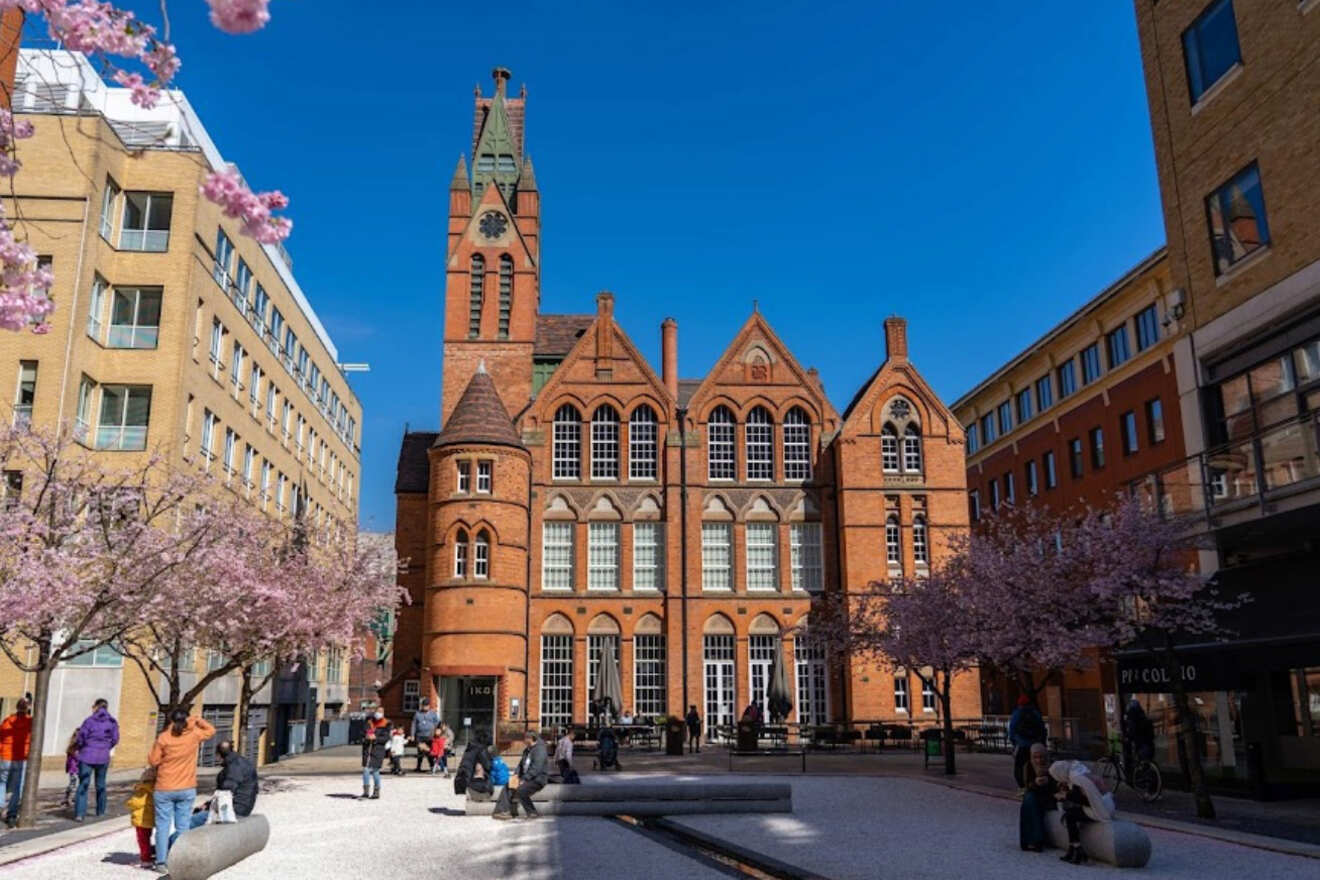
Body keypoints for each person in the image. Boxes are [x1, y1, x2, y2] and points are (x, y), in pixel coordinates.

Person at [147, 708, 216, 871]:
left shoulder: (164, 737)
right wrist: (198, 719)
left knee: (162, 826)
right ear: (187, 720)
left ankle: (161, 861)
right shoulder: (193, 735)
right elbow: (211, 730)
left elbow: (153, 760)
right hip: (186, 787)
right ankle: (179, 857)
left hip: (164, 787)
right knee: (183, 826)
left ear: (171, 720)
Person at [1050, 759, 1115, 865]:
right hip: (1106, 802)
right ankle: (1073, 850)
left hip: (1102, 808)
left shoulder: (1076, 779)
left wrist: (1065, 795)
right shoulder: (1077, 771)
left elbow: (1087, 801)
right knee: (1070, 813)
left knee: (1070, 817)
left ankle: (1077, 848)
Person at [74, 697, 120, 822]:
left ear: (96, 707)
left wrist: (81, 747)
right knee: (101, 784)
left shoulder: (89, 721)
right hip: (103, 756)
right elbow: (115, 739)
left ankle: (80, 813)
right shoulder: (112, 722)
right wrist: (106, 747)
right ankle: (100, 811)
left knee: (83, 784)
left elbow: (81, 737)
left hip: (87, 755)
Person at [492, 729, 548, 820]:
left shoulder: (540, 750)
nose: (523, 740)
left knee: (521, 790)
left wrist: (524, 779)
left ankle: (532, 812)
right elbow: (521, 765)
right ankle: (502, 811)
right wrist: (515, 775)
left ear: (531, 738)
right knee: (508, 785)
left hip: (537, 779)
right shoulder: (527, 750)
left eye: (525, 738)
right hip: (526, 778)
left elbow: (536, 768)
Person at [1018, 743, 1058, 852]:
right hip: (1035, 793)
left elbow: (1059, 785)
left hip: (1050, 796)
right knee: (1029, 800)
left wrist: (1048, 781)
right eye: (1035, 757)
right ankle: (1032, 840)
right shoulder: (1028, 766)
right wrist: (1036, 783)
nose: (1039, 760)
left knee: (1030, 801)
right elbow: (1027, 785)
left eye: (1041, 757)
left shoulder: (1053, 766)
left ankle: (1034, 840)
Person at [0, 698, 32, 827]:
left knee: (2, 783)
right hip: (22, 757)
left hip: (6, 757)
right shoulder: (30, 722)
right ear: (27, 708)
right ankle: (12, 814)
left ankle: (1, 805)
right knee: (18, 787)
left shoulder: (7, 721)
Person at [1008, 695, 1046, 791]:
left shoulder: (1017, 713)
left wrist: (1013, 742)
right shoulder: (1035, 713)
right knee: (1035, 765)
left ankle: (1022, 787)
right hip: (1035, 744)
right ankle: (1035, 783)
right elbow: (1042, 728)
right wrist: (1042, 742)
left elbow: (1012, 729)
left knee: (1019, 767)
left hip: (1022, 744)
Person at [125, 767, 157, 868]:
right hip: (150, 819)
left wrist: (129, 802)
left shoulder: (143, 790)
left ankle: (145, 859)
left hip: (142, 820)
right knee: (148, 838)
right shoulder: (155, 790)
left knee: (142, 840)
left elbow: (137, 803)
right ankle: (150, 855)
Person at [1122, 698, 1156, 781]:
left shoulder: (1134, 719)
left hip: (1142, 745)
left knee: (1143, 766)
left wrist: (1127, 738)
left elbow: (1132, 732)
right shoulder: (1143, 717)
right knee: (1146, 765)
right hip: (1149, 745)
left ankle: (1146, 785)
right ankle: (1150, 785)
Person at [360, 709, 390, 799]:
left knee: (375, 771)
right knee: (366, 769)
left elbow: (386, 738)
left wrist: (376, 738)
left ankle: (376, 791)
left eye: (381, 712)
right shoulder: (368, 722)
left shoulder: (386, 724)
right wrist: (366, 737)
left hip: (378, 750)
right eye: (378, 711)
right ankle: (366, 791)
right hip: (368, 750)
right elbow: (362, 733)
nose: (379, 713)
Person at [455, 731, 493, 797]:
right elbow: (488, 766)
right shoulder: (480, 749)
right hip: (471, 783)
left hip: (460, 782)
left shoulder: (470, 748)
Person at [410, 698, 440, 773]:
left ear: (429, 706)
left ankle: (432, 766)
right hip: (420, 735)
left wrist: (436, 732)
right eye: (423, 706)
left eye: (426, 706)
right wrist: (412, 735)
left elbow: (437, 723)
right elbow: (414, 724)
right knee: (420, 752)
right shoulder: (417, 714)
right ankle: (418, 767)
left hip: (430, 736)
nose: (425, 707)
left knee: (430, 752)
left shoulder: (433, 713)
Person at [61, 731, 80, 809]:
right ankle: (69, 799)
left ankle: (68, 798)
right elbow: (76, 758)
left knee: (73, 784)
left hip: (75, 769)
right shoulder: (73, 747)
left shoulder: (74, 747)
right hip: (74, 769)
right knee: (73, 784)